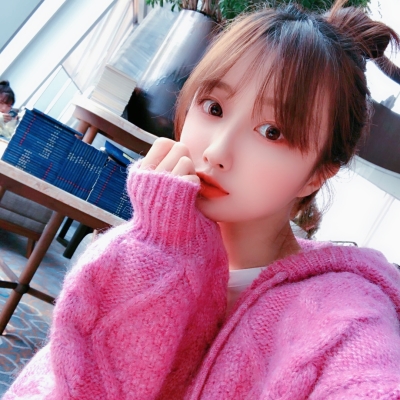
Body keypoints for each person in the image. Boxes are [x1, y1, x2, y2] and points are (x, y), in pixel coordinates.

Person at [4, 1, 400, 399]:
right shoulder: (147, 245)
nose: (216, 151)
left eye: (272, 132)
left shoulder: (344, 313)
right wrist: (153, 247)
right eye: (214, 108)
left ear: (316, 174)